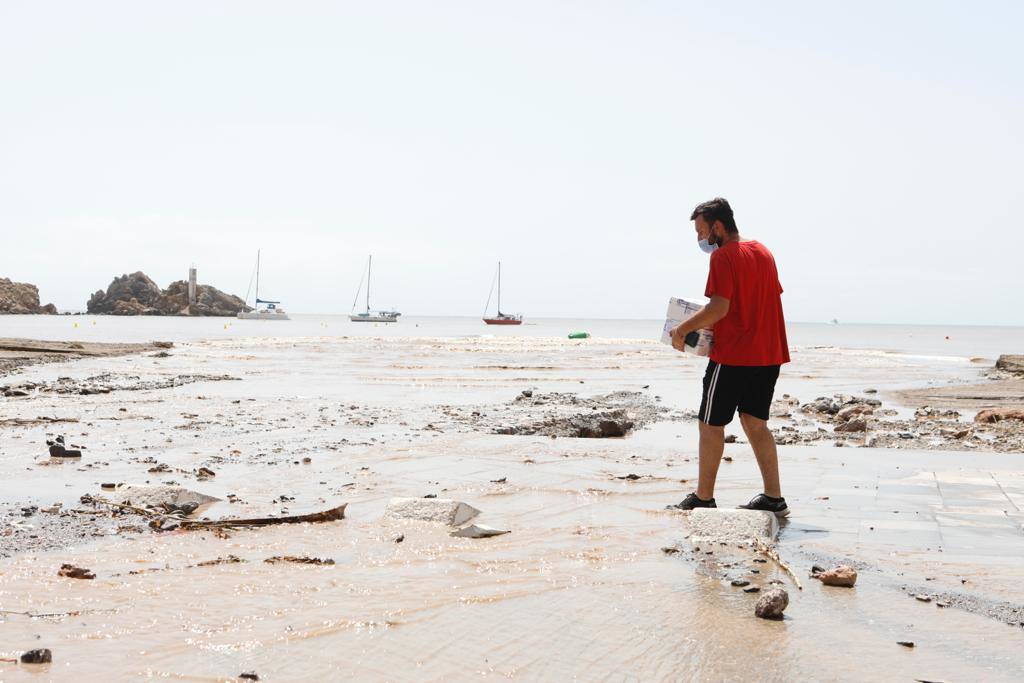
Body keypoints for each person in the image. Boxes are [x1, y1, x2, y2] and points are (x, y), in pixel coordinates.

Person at [667, 198, 791, 516]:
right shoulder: (764, 251)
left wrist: (682, 330)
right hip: (769, 354)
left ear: (717, 227)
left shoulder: (723, 257)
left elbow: (719, 308)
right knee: (755, 423)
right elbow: (761, 301)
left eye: (701, 231)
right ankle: (774, 497)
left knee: (710, 424)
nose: (700, 238)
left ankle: (704, 497)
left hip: (735, 356)